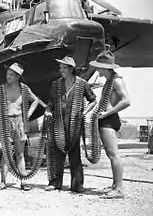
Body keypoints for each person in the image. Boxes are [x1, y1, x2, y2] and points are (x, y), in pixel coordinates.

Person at [45, 56, 97, 192]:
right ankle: (55, 183)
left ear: (71, 69)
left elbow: (93, 100)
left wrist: (85, 112)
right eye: (60, 68)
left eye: (64, 68)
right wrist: (48, 112)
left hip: (75, 122)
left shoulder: (82, 84)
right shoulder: (56, 84)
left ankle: (77, 185)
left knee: (75, 154)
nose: (61, 70)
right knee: (57, 153)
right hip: (59, 121)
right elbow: (50, 103)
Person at [0, 62, 40, 191]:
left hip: (19, 122)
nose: (8, 76)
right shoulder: (0, 89)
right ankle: (3, 181)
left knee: (20, 153)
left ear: (18, 76)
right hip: (5, 121)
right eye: (8, 73)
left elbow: (35, 100)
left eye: (12, 74)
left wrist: (27, 114)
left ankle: (23, 181)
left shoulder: (24, 89)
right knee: (6, 153)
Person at [89, 51, 131, 199]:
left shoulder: (117, 80)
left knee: (114, 155)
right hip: (105, 118)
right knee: (110, 154)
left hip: (108, 119)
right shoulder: (109, 80)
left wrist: (107, 113)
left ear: (105, 67)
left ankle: (119, 189)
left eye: (99, 67)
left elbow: (126, 101)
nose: (97, 70)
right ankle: (115, 185)